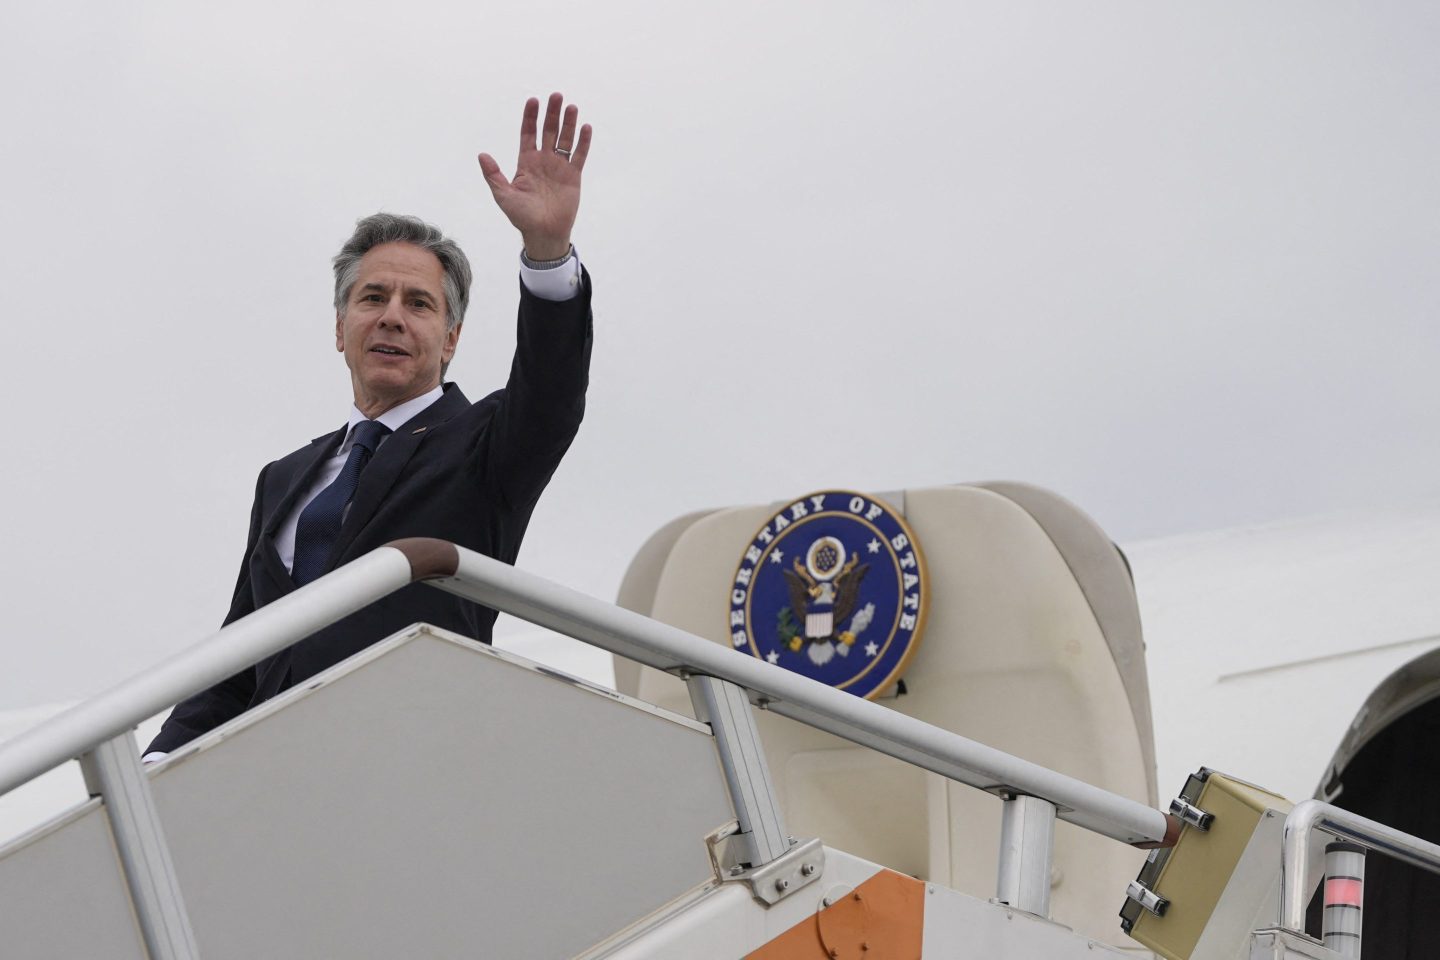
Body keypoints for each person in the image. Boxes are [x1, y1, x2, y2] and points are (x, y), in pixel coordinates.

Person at [145, 93, 594, 758]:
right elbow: (241, 656)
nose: (391, 317)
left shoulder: (485, 445)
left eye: (418, 304)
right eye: (372, 298)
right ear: (339, 327)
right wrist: (152, 767)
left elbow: (551, 392)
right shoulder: (286, 478)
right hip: (272, 771)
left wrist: (548, 251)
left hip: (411, 760)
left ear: (450, 340)